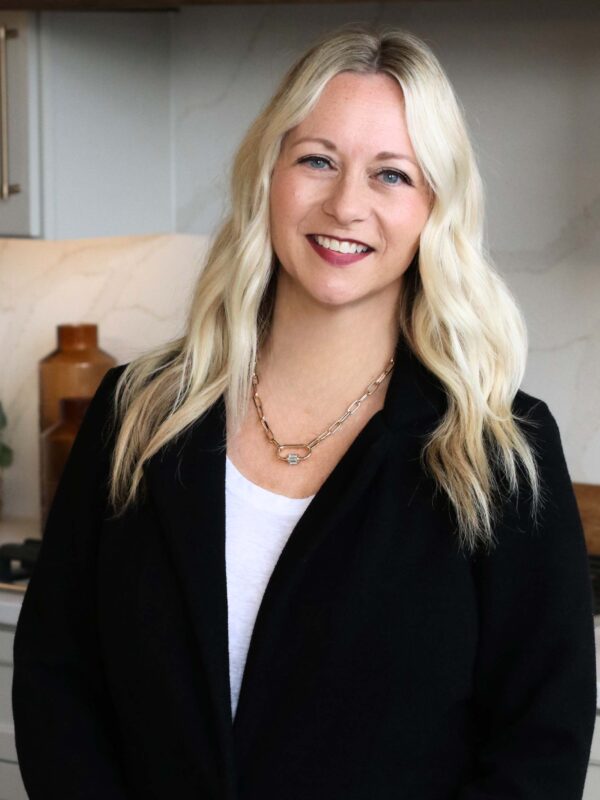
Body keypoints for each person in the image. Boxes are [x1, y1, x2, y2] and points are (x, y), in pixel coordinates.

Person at [12, 23, 596, 800]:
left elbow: (540, 745)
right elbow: (59, 679)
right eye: (317, 160)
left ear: (434, 207)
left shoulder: (500, 448)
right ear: (269, 176)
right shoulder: (139, 409)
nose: (346, 203)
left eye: (392, 175)